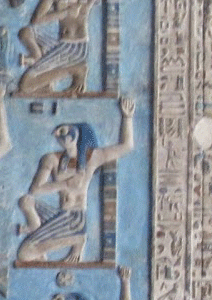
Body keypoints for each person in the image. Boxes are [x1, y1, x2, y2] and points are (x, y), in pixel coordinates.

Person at [17, 97, 134, 263]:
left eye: (62, 131)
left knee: (23, 254)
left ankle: (77, 238)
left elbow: (126, 146)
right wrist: (64, 184)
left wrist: (127, 117)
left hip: (75, 220)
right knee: (26, 201)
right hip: (60, 214)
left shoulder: (92, 157)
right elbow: (35, 189)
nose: (57, 135)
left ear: (77, 134)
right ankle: (37, 234)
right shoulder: (51, 159)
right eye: (57, 133)